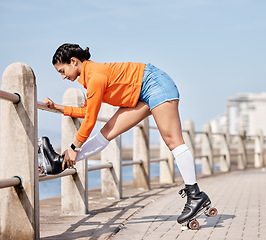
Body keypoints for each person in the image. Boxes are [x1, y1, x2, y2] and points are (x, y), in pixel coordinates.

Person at [42, 43, 212, 226]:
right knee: (107, 132)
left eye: (62, 70)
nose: (62, 77)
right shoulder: (91, 76)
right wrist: (57, 107)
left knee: (173, 140)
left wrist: (75, 147)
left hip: (155, 84)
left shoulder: (95, 77)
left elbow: (90, 119)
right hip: (141, 93)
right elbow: (86, 112)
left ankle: (195, 195)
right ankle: (59, 163)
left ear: (74, 62)